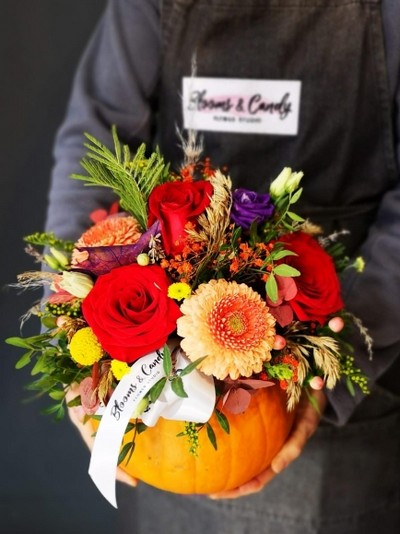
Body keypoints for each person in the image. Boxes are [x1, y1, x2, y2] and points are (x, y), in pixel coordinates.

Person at [46, 0, 400, 532]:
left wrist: (333, 357)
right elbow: (94, 146)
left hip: (333, 394)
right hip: (164, 416)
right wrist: (73, 321)